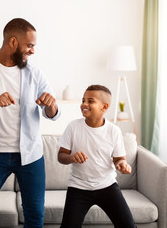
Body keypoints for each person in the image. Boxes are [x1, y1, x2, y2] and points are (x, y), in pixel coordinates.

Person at [0, 18, 60, 228]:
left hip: (30, 155)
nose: (33, 51)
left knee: (35, 215)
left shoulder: (35, 73)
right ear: (13, 42)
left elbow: (51, 112)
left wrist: (51, 105)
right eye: (30, 45)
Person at [58, 84, 136, 228]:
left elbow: (119, 159)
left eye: (90, 101)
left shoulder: (114, 130)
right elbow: (61, 156)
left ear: (104, 107)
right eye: (83, 100)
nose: (84, 104)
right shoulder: (73, 127)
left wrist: (122, 164)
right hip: (78, 187)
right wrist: (71, 157)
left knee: (128, 226)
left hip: (107, 186)